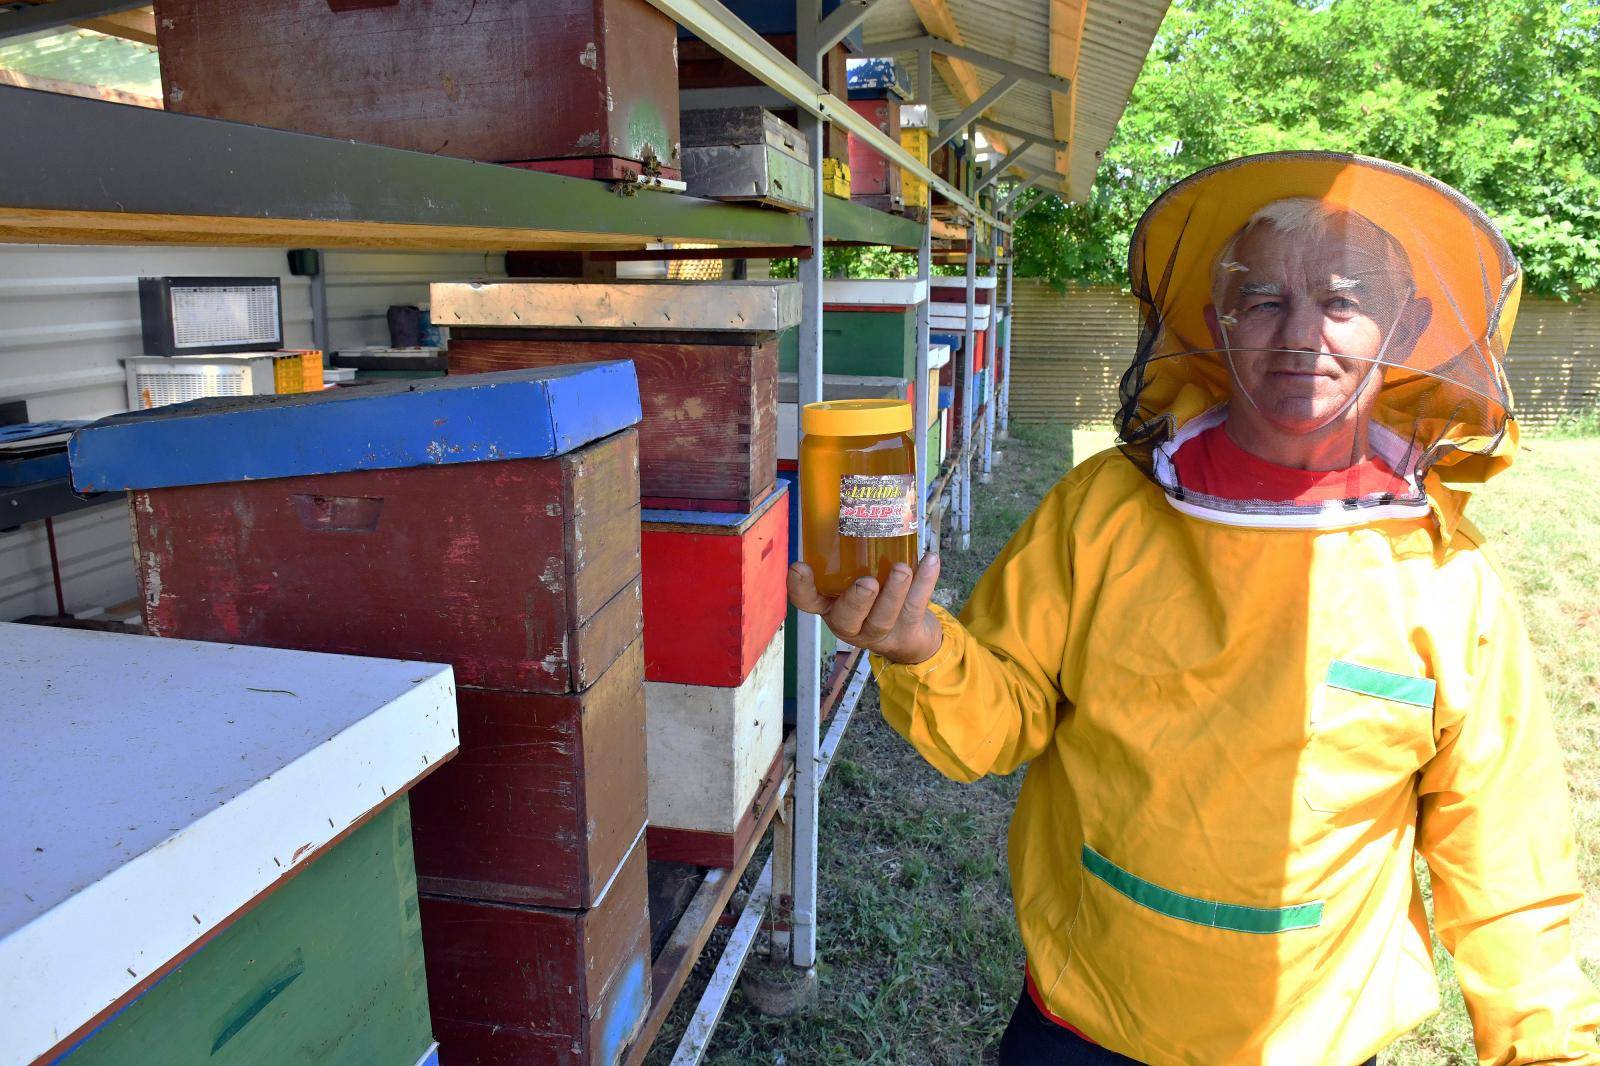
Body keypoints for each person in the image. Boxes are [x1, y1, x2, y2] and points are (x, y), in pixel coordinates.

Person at [788, 152, 1600, 1065]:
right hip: (1085, 1021)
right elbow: (997, 724)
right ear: (1216, 323)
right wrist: (918, 645)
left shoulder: (1448, 578)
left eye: (1342, 301)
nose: (1303, 336)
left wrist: (1546, 1049)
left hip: (1316, 1040)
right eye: (1263, 302)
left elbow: (1505, 858)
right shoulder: (1101, 509)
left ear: (1405, 325)